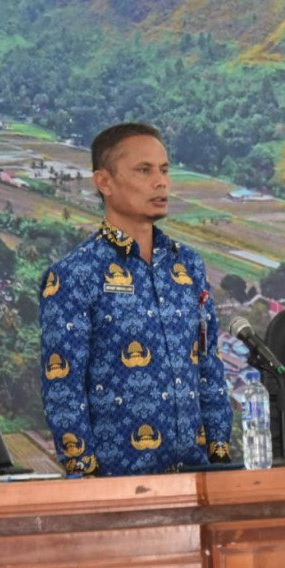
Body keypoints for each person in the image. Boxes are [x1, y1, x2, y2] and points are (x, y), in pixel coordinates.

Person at [39, 122, 232, 476]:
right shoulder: (74, 275)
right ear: (104, 182)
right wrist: (88, 478)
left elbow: (209, 368)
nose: (161, 182)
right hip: (117, 484)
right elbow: (63, 390)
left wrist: (221, 460)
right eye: (144, 171)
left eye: (164, 170)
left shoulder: (187, 265)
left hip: (197, 478)